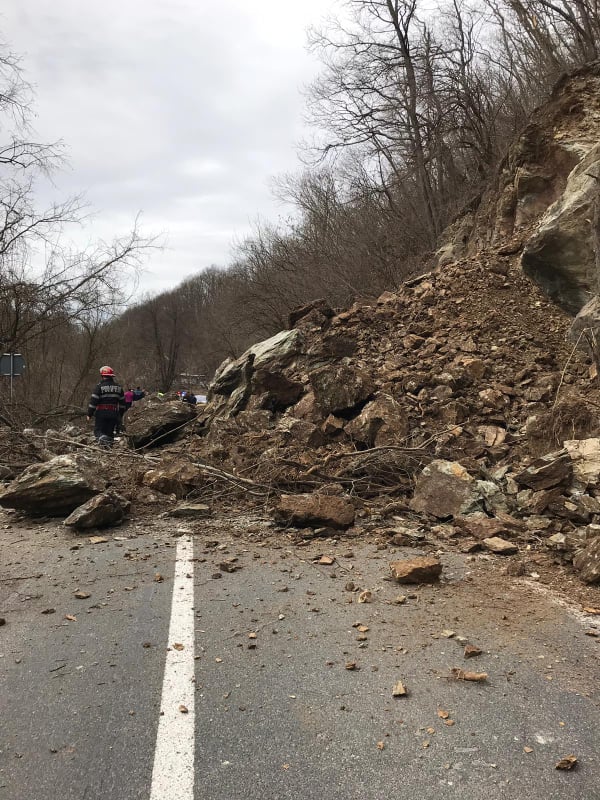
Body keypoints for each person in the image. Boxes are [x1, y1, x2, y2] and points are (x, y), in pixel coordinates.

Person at [87, 365, 126, 448]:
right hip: (114, 413)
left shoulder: (99, 387)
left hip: (101, 413)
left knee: (98, 431)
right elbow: (123, 404)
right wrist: (120, 415)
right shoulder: (119, 388)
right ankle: (108, 450)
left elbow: (93, 402)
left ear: (102, 376)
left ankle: (103, 440)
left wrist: (89, 414)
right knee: (110, 433)